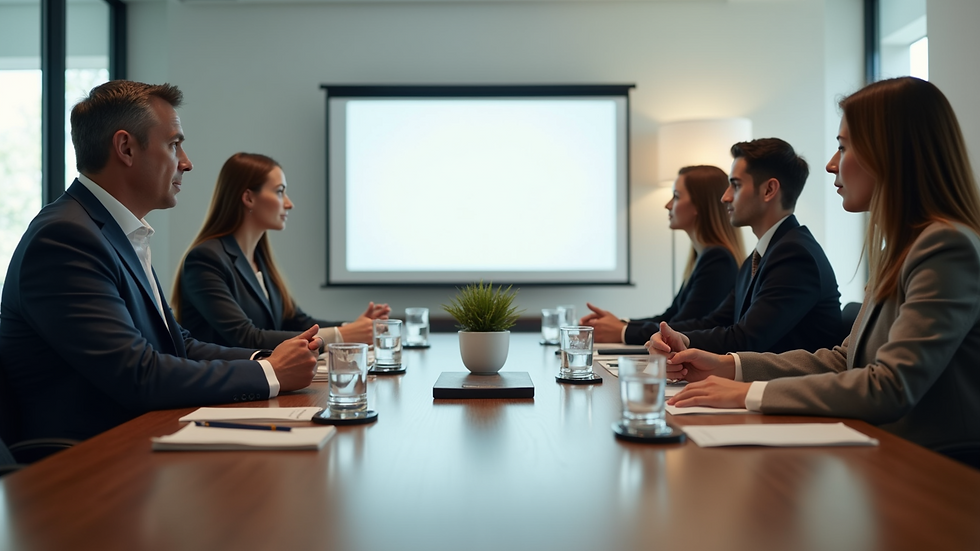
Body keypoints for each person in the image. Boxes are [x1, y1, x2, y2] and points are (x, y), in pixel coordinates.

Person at [660, 77, 980, 452]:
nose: (830, 165)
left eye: (843, 148)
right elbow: (847, 360)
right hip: (886, 451)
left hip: (933, 468)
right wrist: (728, 367)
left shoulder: (945, 246)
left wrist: (748, 393)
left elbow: (890, 386)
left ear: (891, 154)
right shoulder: (904, 246)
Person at [0, 81, 320, 444]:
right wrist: (270, 373)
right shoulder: (64, 238)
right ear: (125, 148)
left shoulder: (114, 231)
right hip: (88, 464)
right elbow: (139, 374)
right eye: (173, 144)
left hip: (139, 440)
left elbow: (177, 343)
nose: (187, 162)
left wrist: (268, 358)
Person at [172, 153, 390, 350]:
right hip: (223, 391)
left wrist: (353, 327)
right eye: (279, 192)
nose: (289, 204)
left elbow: (297, 321)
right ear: (249, 198)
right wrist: (340, 335)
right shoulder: (205, 260)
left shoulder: (259, 259)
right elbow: (247, 338)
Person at [649, 138, 843, 355]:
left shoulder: (795, 256)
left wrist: (680, 340)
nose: (725, 197)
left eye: (736, 185)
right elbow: (717, 321)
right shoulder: (762, 254)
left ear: (769, 190)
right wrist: (675, 337)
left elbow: (745, 339)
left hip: (786, 387)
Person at [581, 165, 744, 344]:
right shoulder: (704, 256)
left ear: (699, 205)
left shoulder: (717, 259)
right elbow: (670, 317)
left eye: (676, 196)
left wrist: (623, 331)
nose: (667, 205)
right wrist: (620, 324)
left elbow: (683, 327)